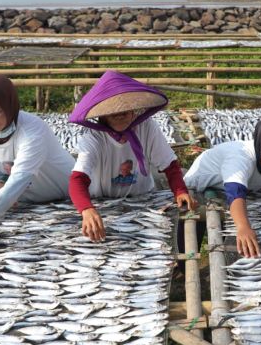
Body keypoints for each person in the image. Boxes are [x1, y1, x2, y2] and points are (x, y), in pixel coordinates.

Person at [0, 74, 75, 259]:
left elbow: (19, 180)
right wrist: (0, 184)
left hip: (67, 198)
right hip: (29, 205)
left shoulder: (33, 130)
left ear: (10, 107)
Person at [68, 71, 195, 242]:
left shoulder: (146, 127)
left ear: (134, 110)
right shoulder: (94, 137)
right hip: (105, 203)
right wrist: (87, 209)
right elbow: (78, 179)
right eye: (113, 111)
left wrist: (180, 191)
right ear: (103, 115)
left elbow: (170, 165)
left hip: (143, 200)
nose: (120, 114)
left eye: (125, 110)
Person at [184, 119, 261, 258]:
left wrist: (260, 186)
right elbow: (235, 192)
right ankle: (182, 268)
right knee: (192, 232)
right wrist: (243, 227)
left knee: (222, 231)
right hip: (198, 187)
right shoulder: (240, 158)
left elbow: (250, 176)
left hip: (223, 189)